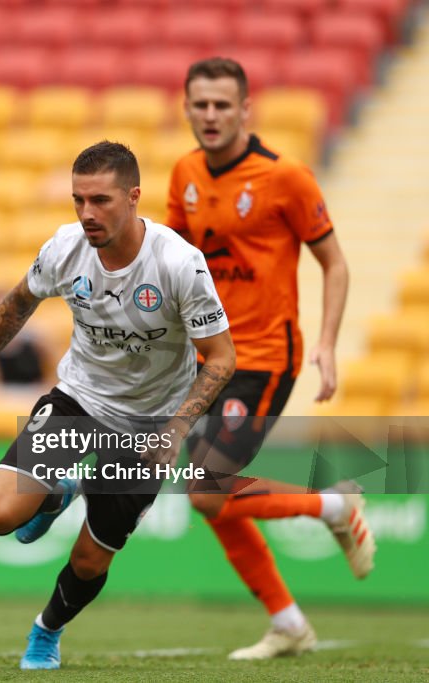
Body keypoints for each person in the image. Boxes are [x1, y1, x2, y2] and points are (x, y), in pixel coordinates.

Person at [0, 141, 237, 670]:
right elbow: (17, 304)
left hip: (149, 423)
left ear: (133, 197)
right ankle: (57, 493)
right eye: (78, 200)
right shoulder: (65, 248)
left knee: (89, 556)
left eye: (99, 200)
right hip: (80, 399)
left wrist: (174, 431)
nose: (86, 213)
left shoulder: (178, 264)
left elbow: (220, 358)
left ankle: (45, 631)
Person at [165, 57, 373, 660]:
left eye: (222, 105)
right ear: (186, 107)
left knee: (206, 490)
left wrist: (328, 344)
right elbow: (178, 261)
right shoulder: (184, 173)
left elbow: (334, 262)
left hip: (265, 356)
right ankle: (288, 623)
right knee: (216, 497)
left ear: (245, 110)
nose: (210, 116)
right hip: (211, 358)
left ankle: (334, 504)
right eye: (200, 104)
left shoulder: (287, 178)